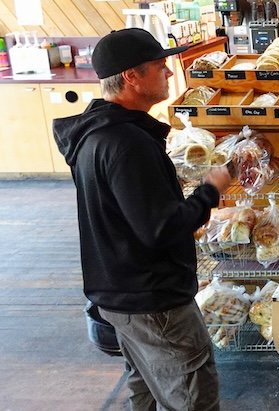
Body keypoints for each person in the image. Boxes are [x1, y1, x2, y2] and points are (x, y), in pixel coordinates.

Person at [52, 28, 230, 411]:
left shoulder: (95, 133)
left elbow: (129, 215)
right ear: (131, 76)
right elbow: (161, 229)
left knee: (146, 393)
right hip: (154, 302)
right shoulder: (127, 144)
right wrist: (210, 190)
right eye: (159, 66)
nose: (168, 73)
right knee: (192, 400)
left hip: (120, 296)